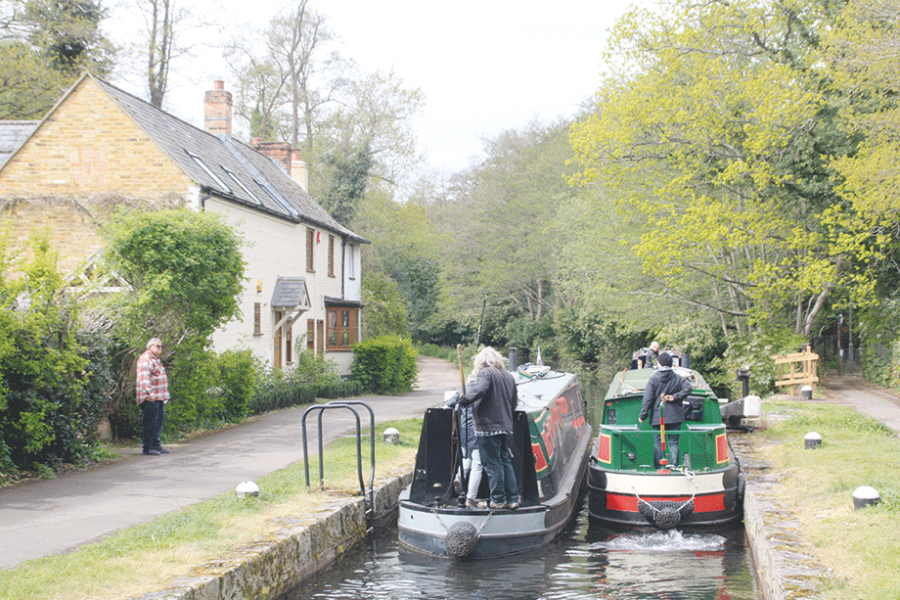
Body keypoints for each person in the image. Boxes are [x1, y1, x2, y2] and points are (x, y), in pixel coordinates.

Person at [457, 347, 519, 509]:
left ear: (480, 361)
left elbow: (481, 389)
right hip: (506, 427)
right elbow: (513, 403)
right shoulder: (508, 376)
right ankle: (513, 499)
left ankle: (498, 500)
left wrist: (466, 400)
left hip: (487, 427)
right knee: (505, 461)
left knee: (492, 464)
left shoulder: (485, 372)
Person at [638, 352, 692, 468]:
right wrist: (675, 397)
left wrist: (643, 416)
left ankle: (659, 467)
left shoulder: (653, 379)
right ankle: (673, 466)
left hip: (658, 417)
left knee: (658, 442)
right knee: (673, 443)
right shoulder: (678, 378)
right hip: (674, 416)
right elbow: (688, 388)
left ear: (660, 364)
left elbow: (647, 399)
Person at [446, 391, 485, 508]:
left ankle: (459, 477)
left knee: (466, 458)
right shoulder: (484, 390)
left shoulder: (463, 390)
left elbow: (449, 404)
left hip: (464, 433)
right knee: (477, 466)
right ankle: (470, 498)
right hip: (479, 431)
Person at [136, 337, 170, 456]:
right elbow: (144, 378)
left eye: (161, 346)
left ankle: (155, 444)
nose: (160, 348)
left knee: (158, 421)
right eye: (157, 346)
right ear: (150, 347)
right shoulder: (146, 359)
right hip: (150, 397)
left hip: (159, 397)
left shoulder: (156, 360)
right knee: (150, 422)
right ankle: (148, 447)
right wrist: (149, 394)